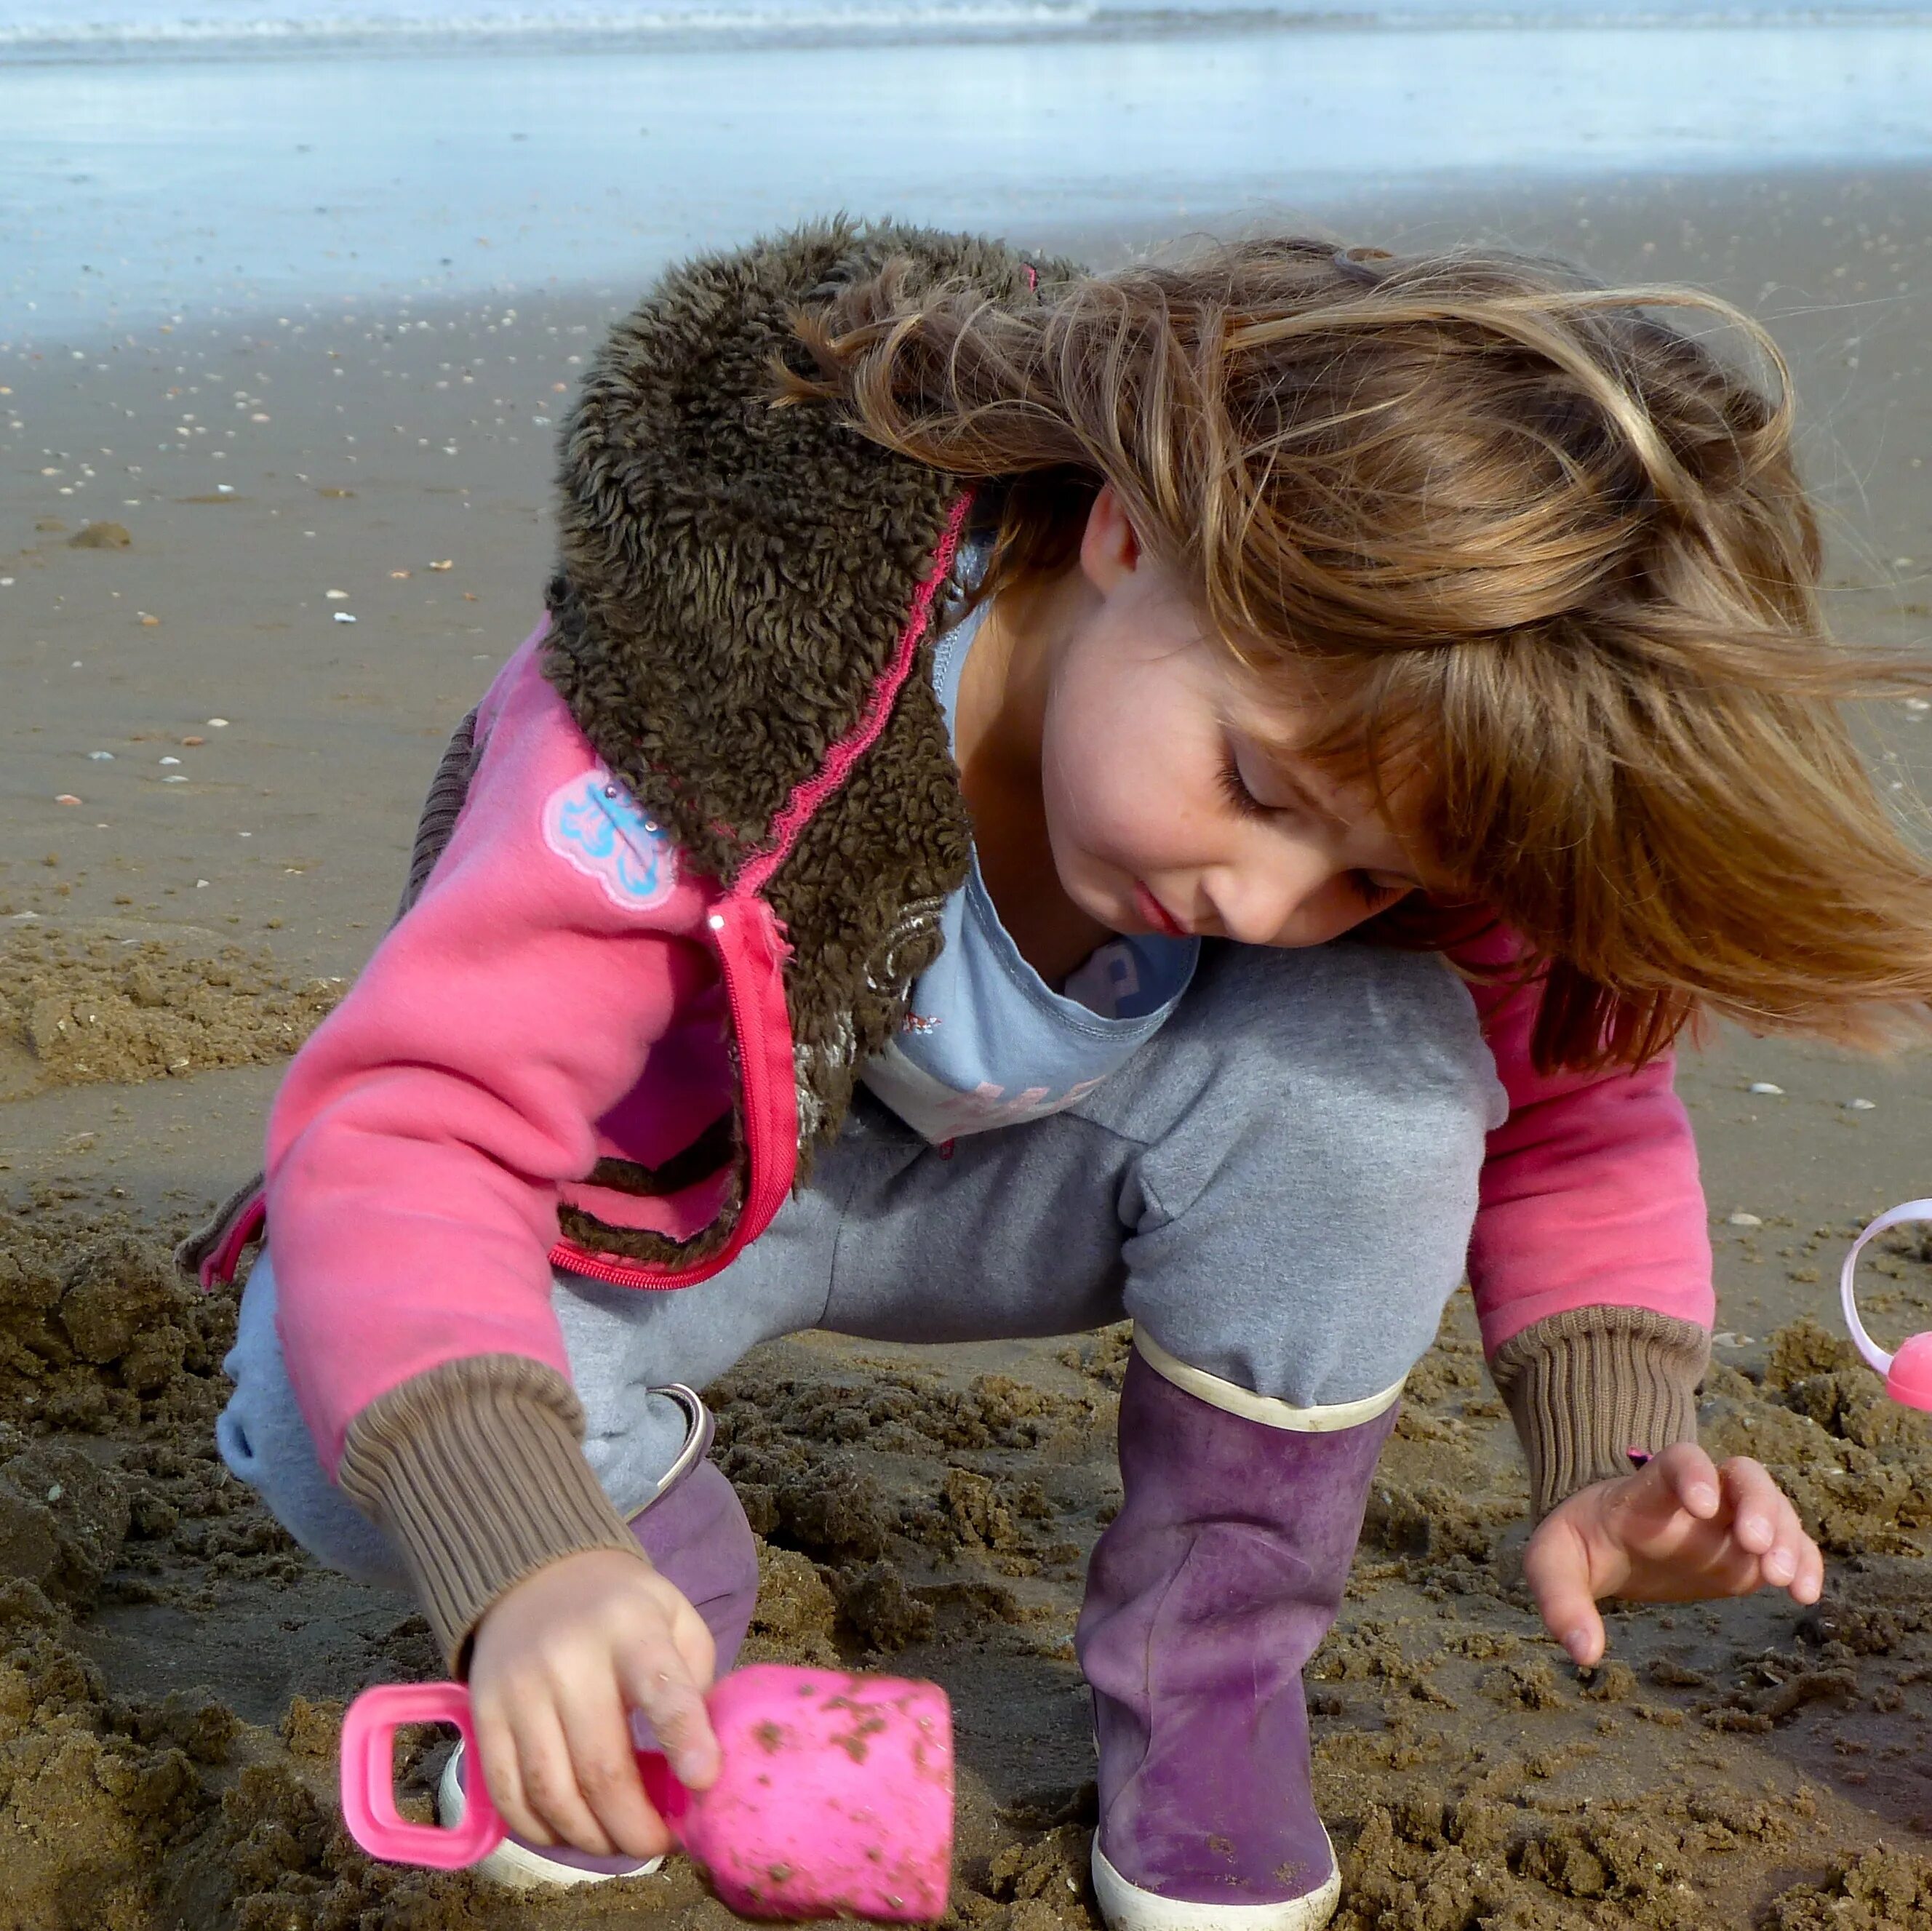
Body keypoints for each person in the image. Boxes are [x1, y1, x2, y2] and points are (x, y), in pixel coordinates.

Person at [199, 219, 1932, 1930]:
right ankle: (640, 1609)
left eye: (1368, 876)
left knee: (1388, 1078)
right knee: (318, 1395)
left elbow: (1560, 1094)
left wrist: (1612, 1448)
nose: (1269, 900)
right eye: (1253, 786)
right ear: (1127, 528)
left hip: (1047, 1181)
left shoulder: (1398, 754)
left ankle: (1213, 1691)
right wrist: (532, 1556)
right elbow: (414, 1133)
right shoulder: (699, 719)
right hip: (662, 1203)